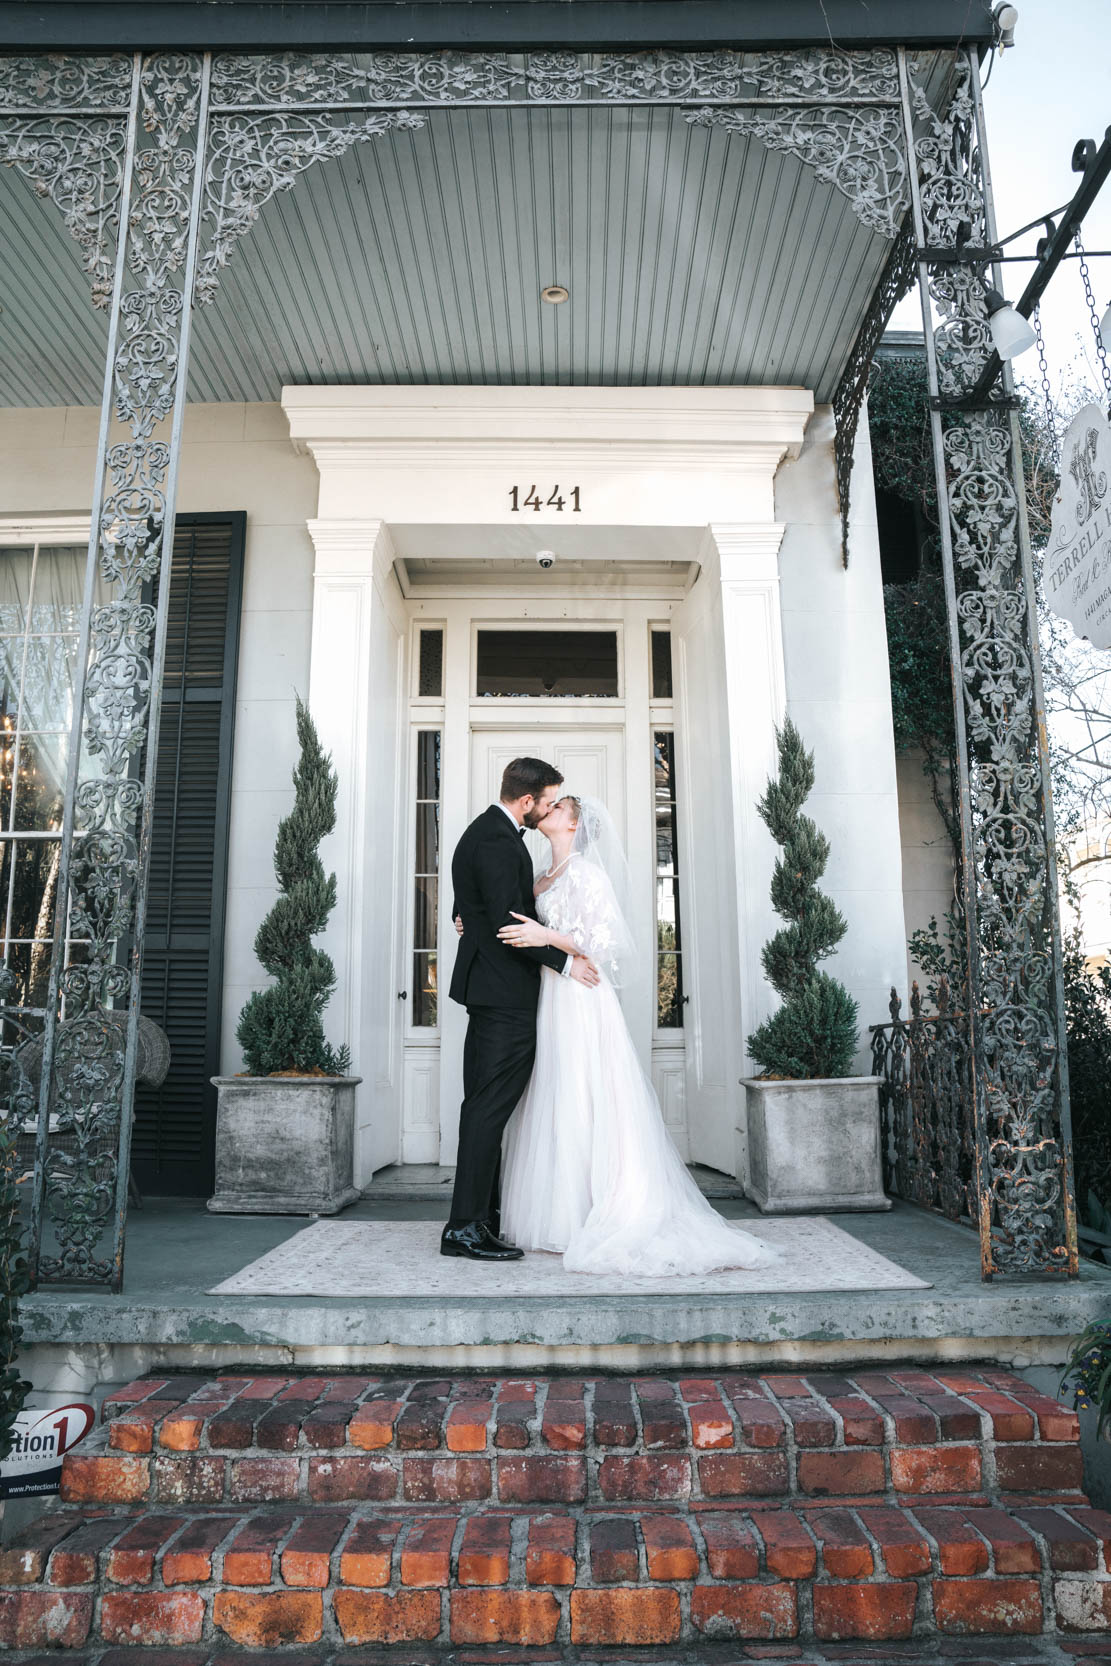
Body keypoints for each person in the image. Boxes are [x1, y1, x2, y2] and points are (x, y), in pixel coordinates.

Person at [492, 792, 778, 1275]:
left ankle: (596, 1208)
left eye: (558, 808)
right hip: (548, 993)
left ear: (574, 824)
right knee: (554, 1091)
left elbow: (601, 941)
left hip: (581, 997)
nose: (548, 811)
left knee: (586, 1088)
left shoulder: (587, 874)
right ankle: (557, 1213)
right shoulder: (542, 876)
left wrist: (548, 938)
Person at [440, 759, 601, 1263]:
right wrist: (564, 961)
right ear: (527, 801)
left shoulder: (488, 833)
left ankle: (480, 1219)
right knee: (488, 1110)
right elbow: (512, 926)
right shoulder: (497, 840)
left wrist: (468, 920)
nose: (551, 808)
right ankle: (465, 1227)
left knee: (483, 1107)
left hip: (490, 993)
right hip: (503, 997)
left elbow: (475, 907)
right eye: (548, 801)